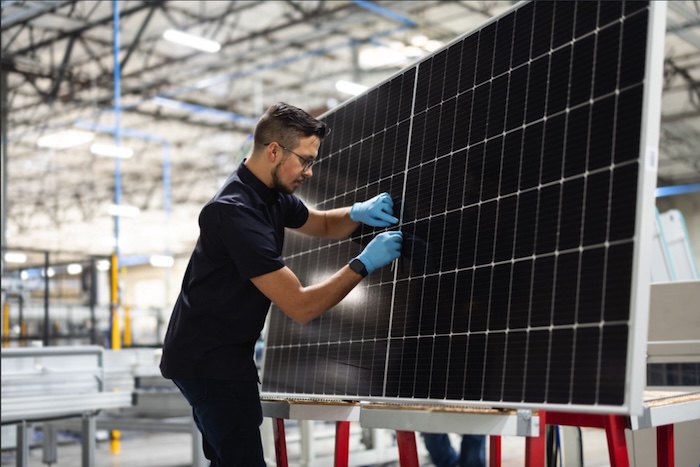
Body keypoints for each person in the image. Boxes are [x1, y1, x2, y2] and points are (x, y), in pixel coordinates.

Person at [159, 102, 403, 466]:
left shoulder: (268, 192)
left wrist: (356, 213)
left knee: (230, 457)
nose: (309, 170)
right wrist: (363, 263)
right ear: (274, 150)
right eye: (304, 160)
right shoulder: (235, 212)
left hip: (226, 355)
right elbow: (301, 306)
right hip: (207, 360)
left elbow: (319, 223)